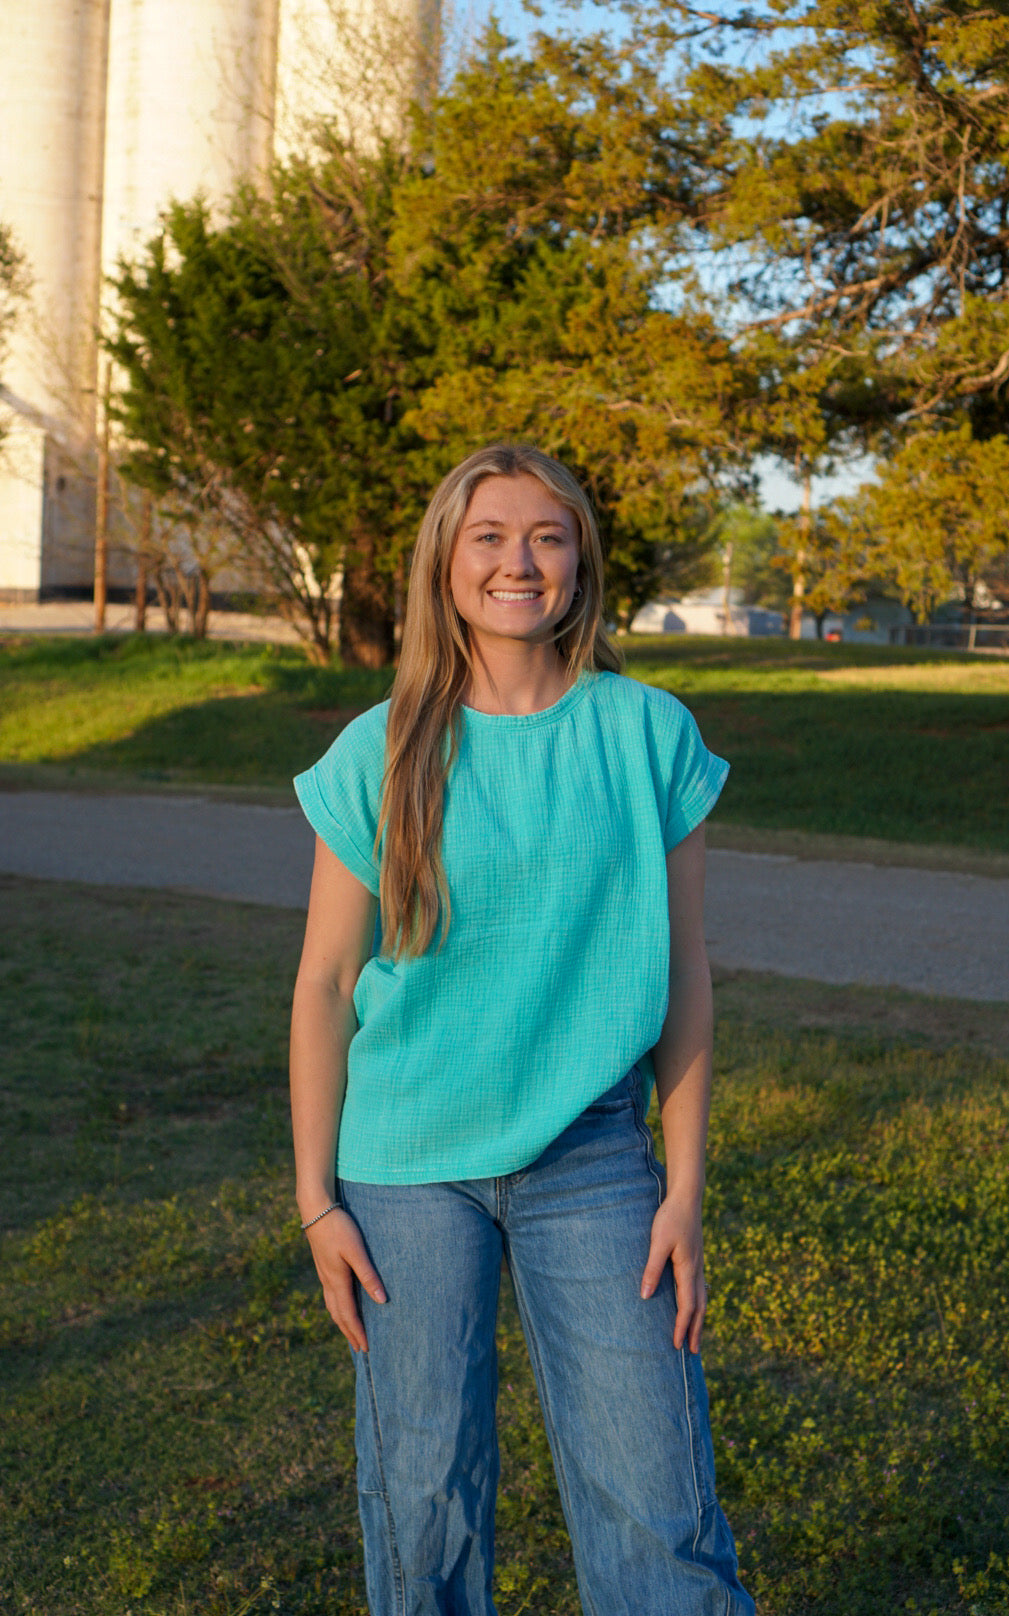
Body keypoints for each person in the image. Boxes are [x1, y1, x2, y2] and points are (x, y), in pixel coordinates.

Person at [289, 443, 755, 1616]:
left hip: (593, 1160)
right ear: (445, 561)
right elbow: (325, 982)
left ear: (580, 561)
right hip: (403, 1171)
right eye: (488, 535)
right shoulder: (382, 746)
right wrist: (317, 1200)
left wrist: (685, 1188)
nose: (518, 560)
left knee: (660, 1508)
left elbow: (682, 971)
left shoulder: (648, 734)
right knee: (424, 1510)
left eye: (546, 535)